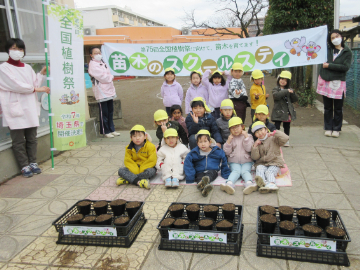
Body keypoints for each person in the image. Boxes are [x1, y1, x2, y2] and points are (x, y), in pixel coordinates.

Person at [0, 38, 50, 178]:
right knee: (18, 140)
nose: (18, 52)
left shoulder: (27, 67)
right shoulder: (3, 68)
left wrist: (41, 73)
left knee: (32, 138)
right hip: (14, 106)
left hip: (29, 106)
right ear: (8, 50)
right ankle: (24, 165)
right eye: (14, 48)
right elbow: (15, 85)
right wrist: (37, 88)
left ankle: (33, 162)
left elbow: (34, 82)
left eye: (20, 49)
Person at [317, 29, 353, 138]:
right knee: (327, 107)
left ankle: (337, 128)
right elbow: (321, 62)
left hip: (339, 84)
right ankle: (328, 127)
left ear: (341, 36)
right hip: (326, 82)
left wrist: (329, 66)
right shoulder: (327, 50)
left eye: (337, 36)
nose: (335, 39)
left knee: (338, 107)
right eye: (332, 38)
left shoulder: (347, 52)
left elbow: (345, 67)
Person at [184, 130, 231, 197]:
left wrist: (225, 173)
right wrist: (190, 177)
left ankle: (206, 181)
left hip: (212, 170)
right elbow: (188, 164)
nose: (203, 144)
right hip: (199, 171)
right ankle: (204, 188)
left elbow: (224, 161)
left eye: (205, 141)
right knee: (199, 178)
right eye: (200, 142)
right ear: (197, 143)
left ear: (210, 142)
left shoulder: (217, 151)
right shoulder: (194, 153)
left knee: (211, 174)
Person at [88, 47, 120, 138]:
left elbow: (108, 74)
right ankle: (105, 131)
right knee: (104, 112)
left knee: (110, 111)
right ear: (91, 55)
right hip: (101, 91)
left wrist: (110, 77)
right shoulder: (93, 65)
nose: (98, 54)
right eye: (95, 53)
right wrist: (110, 77)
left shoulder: (103, 63)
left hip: (109, 90)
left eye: (99, 52)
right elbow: (103, 77)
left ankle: (111, 129)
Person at [251, 121, 288, 193]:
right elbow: (255, 157)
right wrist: (255, 146)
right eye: (257, 132)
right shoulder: (257, 142)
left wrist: (275, 133)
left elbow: (285, 138)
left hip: (275, 162)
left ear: (266, 129)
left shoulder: (274, 138)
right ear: (255, 135)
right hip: (262, 163)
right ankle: (262, 184)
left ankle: (272, 184)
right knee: (259, 168)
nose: (260, 133)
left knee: (269, 172)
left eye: (261, 130)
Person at [222, 117, 255, 195]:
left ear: (242, 127)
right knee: (236, 171)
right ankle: (229, 184)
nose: (235, 130)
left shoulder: (248, 136)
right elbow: (226, 152)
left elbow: (250, 149)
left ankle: (249, 183)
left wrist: (246, 138)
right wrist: (228, 142)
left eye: (237, 127)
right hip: (234, 161)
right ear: (229, 130)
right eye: (232, 128)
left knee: (245, 171)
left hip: (247, 161)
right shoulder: (231, 138)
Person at [116, 125, 156, 189]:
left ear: (145, 136)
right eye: (134, 136)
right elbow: (128, 161)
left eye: (140, 136)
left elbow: (152, 160)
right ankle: (140, 181)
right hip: (134, 167)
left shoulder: (151, 146)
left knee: (152, 171)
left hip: (145, 167)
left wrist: (141, 169)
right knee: (121, 170)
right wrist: (136, 170)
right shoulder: (128, 148)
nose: (137, 138)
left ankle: (129, 179)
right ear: (131, 138)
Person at [271, 71, 298, 147]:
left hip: (287, 111)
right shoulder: (276, 89)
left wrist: (292, 93)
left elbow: (295, 99)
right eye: (282, 79)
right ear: (279, 79)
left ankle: (286, 140)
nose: (283, 81)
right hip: (278, 111)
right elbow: (276, 96)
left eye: (285, 80)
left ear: (288, 82)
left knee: (287, 126)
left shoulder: (289, 89)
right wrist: (286, 91)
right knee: (276, 126)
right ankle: (276, 139)